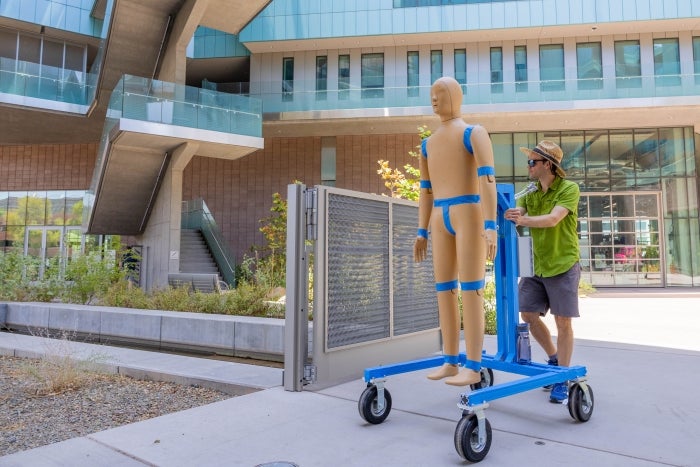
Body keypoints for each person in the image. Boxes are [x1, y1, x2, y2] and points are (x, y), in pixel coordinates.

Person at [414, 77, 497, 386]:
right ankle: (450, 359)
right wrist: (421, 230)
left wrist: (491, 225)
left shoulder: (473, 133)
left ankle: (473, 364)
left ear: (456, 97)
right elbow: (425, 190)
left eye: (441, 94)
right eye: (431, 95)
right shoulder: (428, 143)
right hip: (439, 215)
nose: (434, 100)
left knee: (472, 288)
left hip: (468, 212)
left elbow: (487, 177)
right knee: (444, 289)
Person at [504, 140, 581, 403]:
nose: (528, 166)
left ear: (547, 164)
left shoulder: (568, 189)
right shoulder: (530, 192)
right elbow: (519, 211)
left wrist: (522, 220)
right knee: (527, 314)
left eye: (532, 162)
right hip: (535, 264)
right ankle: (553, 358)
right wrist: (509, 212)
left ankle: (562, 377)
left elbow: (553, 219)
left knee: (563, 321)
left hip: (562, 263)